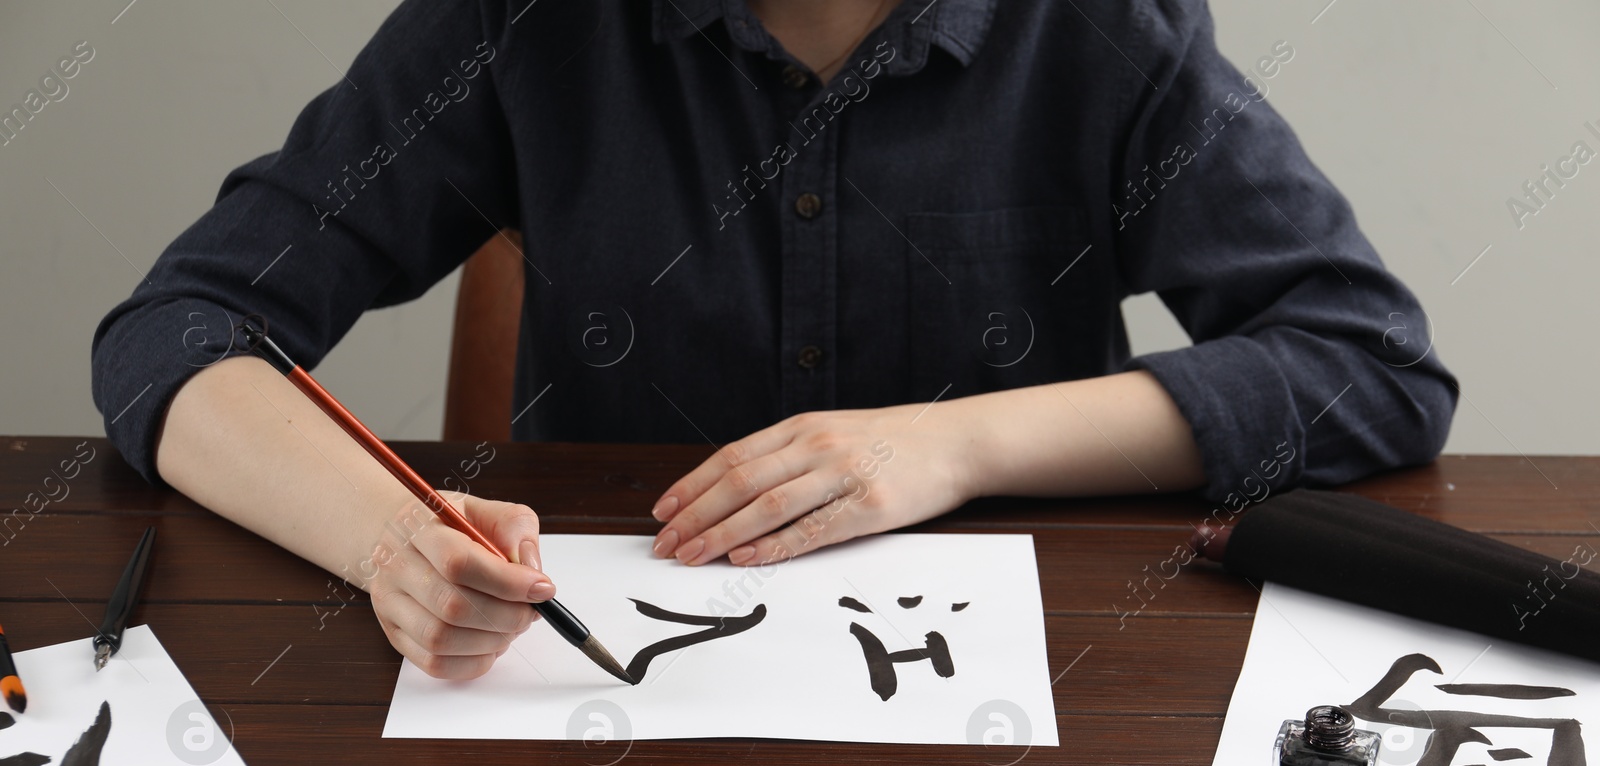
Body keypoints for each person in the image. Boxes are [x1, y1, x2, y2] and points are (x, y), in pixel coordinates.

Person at [90, 0, 1457, 679]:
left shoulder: (1095, 31)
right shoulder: (526, 23)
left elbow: (1372, 364)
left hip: (1001, 736)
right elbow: (181, 330)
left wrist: (957, 446)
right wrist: (386, 540)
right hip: (586, 716)